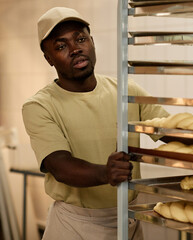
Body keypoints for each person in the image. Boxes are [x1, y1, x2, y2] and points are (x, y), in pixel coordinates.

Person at [22, 7, 169, 240]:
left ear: (92, 42)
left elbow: (170, 130)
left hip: (128, 219)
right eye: (61, 46)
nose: (75, 49)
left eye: (81, 39)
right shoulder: (40, 105)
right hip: (75, 225)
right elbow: (59, 165)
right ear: (48, 58)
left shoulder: (127, 90)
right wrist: (105, 173)